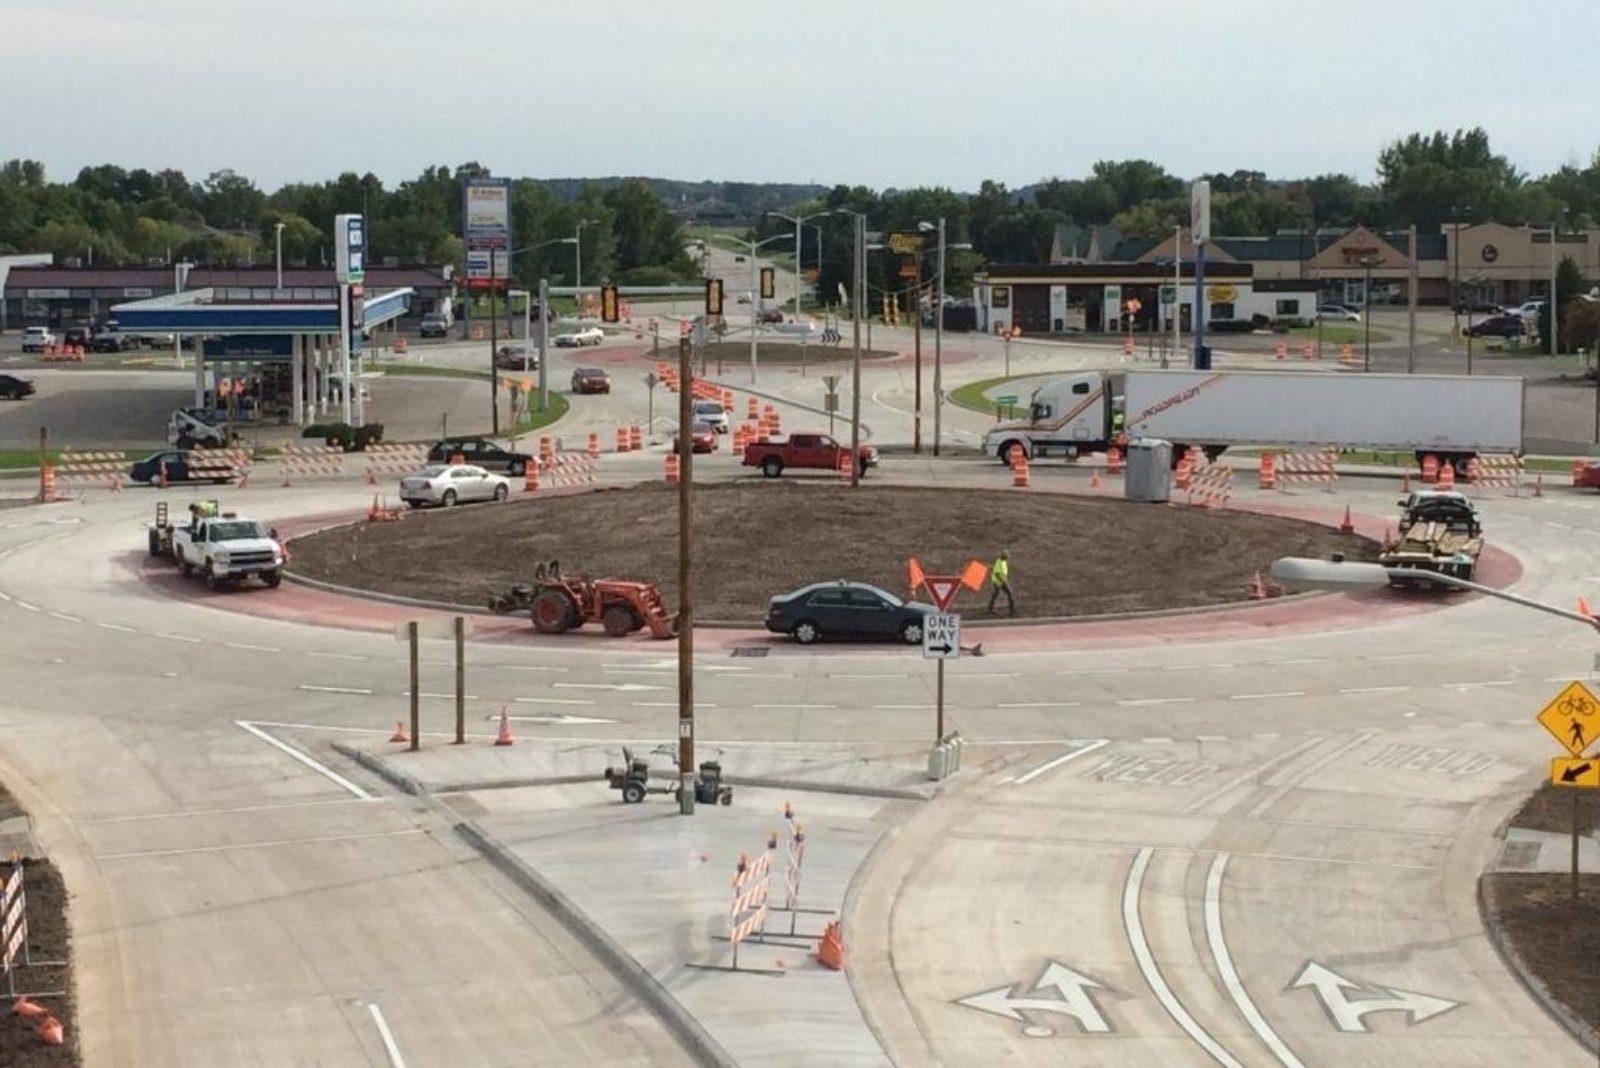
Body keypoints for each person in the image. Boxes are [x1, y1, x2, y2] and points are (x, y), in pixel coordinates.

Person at [988, 550, 1014, 616]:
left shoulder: (1003, 562)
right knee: (1009, 593)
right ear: (1003, 556)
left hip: (1001, 581)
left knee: (996, 594)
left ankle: (990, 609)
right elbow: (997, 573)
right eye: (1006, 556)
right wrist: (1003, 581)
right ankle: (1011, 609)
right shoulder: (999, 562)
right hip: (998, 581)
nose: (1008, 558)